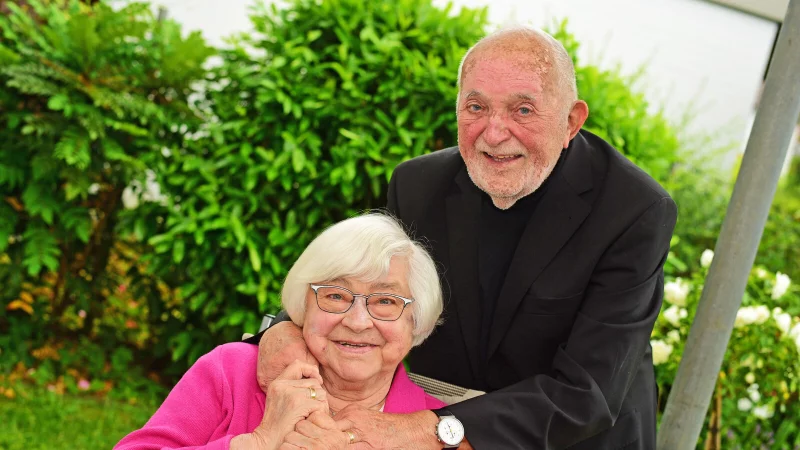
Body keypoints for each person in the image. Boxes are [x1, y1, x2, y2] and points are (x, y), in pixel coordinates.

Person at [250, 26, 678, 449]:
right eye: (476, 107)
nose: (493, 134)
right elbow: (360, 289)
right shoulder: (418, 185)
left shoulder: (633, 210)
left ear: (571, 121)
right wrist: (281, 330)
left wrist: (419, 430)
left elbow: (587, 393)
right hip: (432, 413)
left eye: (523, 110)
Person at [115, 214, 447, 450]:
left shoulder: (431, 429)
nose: (357, 321)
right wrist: (257, 443)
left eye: (386, 300)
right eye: (335, 295)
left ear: (415, 320)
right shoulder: (230, 372)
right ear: (304, 305)